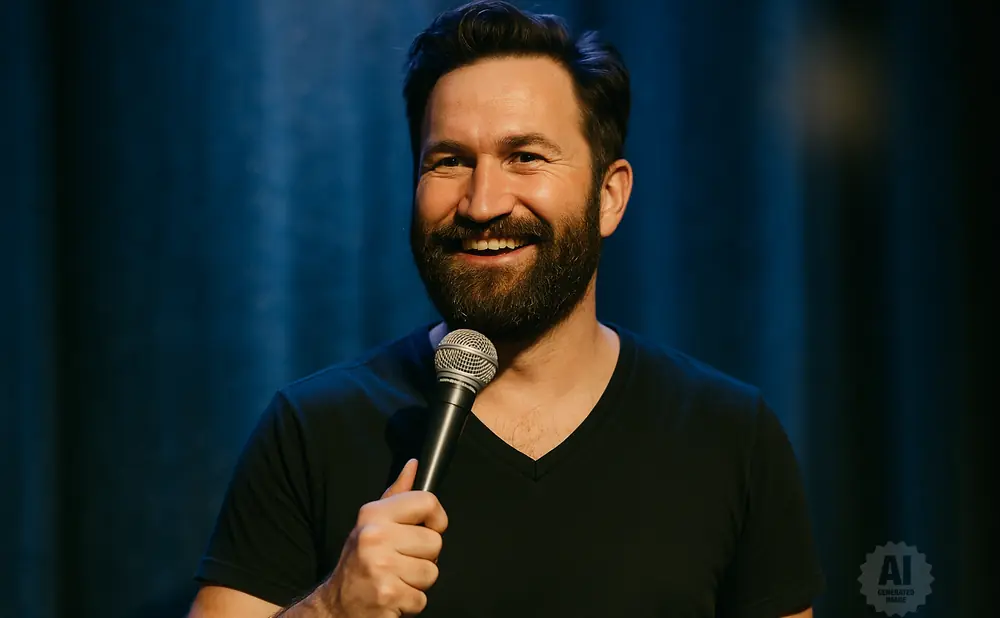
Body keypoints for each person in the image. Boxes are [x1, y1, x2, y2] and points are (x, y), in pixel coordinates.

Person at [187, 1, 824, 617]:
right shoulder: (312, 429)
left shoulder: (728, 435)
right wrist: (331, 610)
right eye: (450, 162)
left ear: (610, 196)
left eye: (525, 157)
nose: (483, 202)